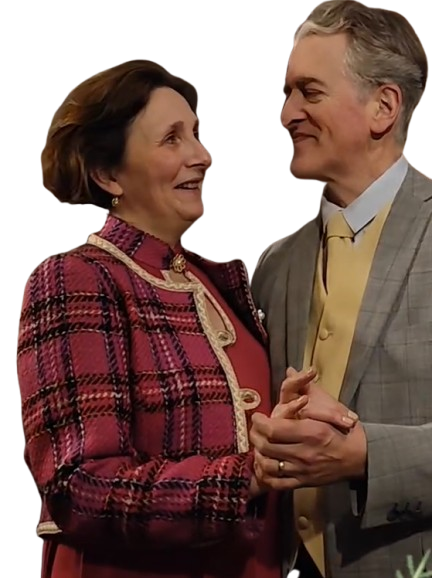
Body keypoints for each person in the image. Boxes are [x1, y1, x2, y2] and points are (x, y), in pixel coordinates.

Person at [16, 59, 355, 578]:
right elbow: (80, 486)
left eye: (196, 134)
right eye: (171, 139)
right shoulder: (76, 277)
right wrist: (247, 476)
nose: (202, 155)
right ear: (109, 174)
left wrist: (287, 427)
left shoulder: (219, 284)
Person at [249, 1, 431, 577]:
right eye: (287, 93)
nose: (287, 114)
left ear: (383, 107)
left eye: (310, 92)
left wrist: (368, 455)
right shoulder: (274, 264)